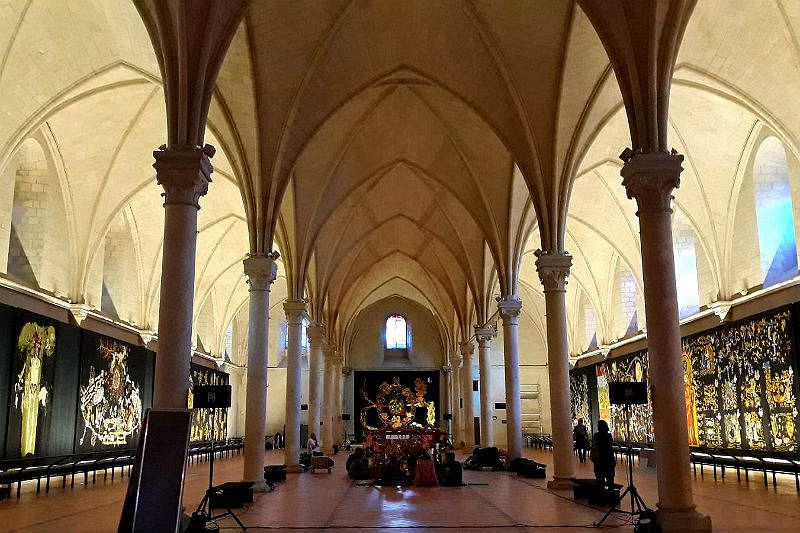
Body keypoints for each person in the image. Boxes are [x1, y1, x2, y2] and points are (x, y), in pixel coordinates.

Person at [590, 419, 616, 489]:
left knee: (599, 480)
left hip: (599, 460)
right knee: (610, 480)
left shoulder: (596, 436)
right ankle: (611, 495)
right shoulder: (609, 436)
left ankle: (601, 494)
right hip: (608, 459)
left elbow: (594, 446)